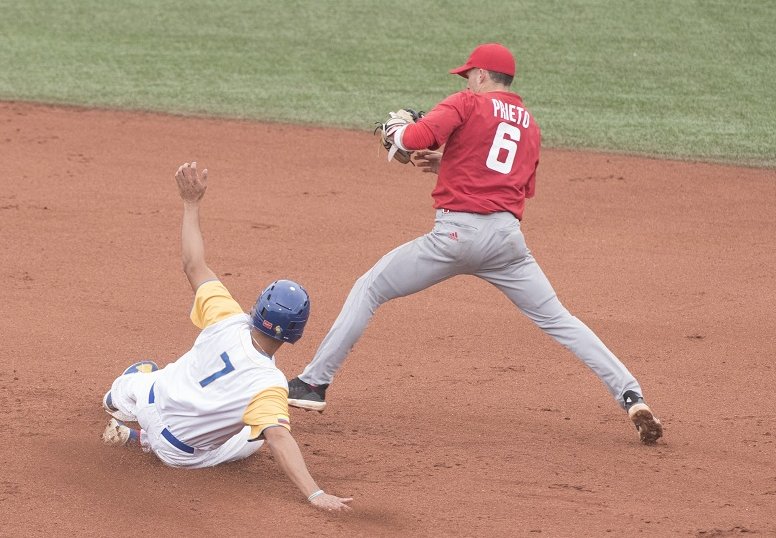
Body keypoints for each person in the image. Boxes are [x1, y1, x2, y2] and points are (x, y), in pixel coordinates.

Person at [287, 43, 663, 444]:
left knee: (370, 287)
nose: (466, 80)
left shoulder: (467, 102)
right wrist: (448, 163)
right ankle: (630, 394)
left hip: (454, 237)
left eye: (469, 74)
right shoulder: (530, 126)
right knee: (560, 320)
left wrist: (398, 131)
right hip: (507, 244)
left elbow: (415, 137)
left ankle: (313, 383)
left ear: (482, 75)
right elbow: (511, 183)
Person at [100, 161, 353, 512]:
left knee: (145, 380)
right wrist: (315, 493)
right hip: (178, 453)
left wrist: (191, 203)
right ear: (297, 333)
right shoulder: (269, 385)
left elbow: (193, 264)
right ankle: (141, 440)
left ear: (258, 309)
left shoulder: (227, 318)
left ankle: (119, 397)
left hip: (150, 399)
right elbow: (279, 438)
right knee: (255, 438)